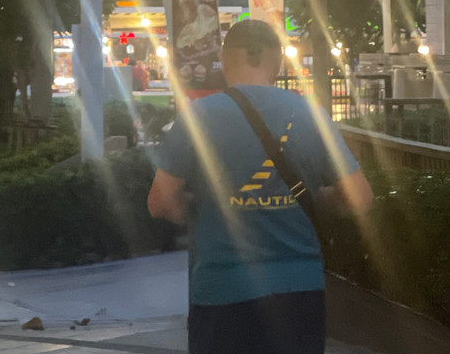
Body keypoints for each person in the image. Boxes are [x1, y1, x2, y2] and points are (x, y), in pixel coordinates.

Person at [147, 20, 373, 354]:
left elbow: (160, 202)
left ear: (224, 62)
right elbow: (361, 198)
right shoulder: (310, 114)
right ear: (278, 61)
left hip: (222, 290)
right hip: (299, 290)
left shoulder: (199, 116)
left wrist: (193, 210)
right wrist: (318, 200)